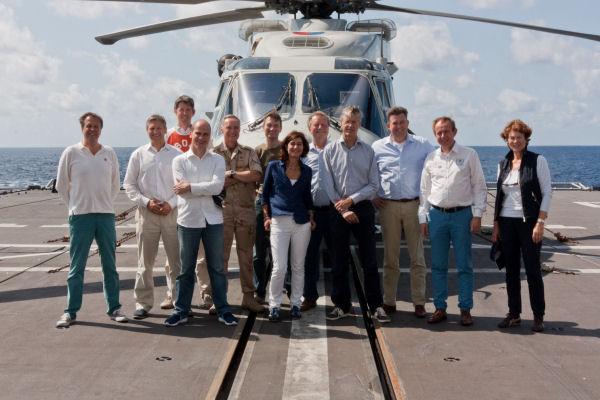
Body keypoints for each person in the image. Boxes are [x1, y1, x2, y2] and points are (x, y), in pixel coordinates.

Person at [55, 112, 128, 327]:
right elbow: (61, 185)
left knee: (110, 265)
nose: (92, 129)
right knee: (77, 266)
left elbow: (115, 185)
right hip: (80, 217)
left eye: (96, 126)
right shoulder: (71, 153)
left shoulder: (109, 153)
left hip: (105, 216)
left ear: (101, 129)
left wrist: (103, 202)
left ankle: (114, 308)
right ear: (82, 128)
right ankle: (71, 311)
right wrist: (76, 206)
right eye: (89, 126)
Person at [164, 119, 238, 327]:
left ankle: (223, 309)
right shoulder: (179, 161)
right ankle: (181, 310)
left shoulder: (217, 160)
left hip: (213, 218)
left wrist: (192, 187)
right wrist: (200, 188)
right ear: (192, 135)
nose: (202, 137)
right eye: (198, 133)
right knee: (185, 268)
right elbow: (183, 192)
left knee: (216, 267)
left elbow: (216, 187)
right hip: (188, 219)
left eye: (206, 134)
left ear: (209, 136)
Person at [321, 105, 390, 323]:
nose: (350, 125)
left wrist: (351, 201)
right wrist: (342, 208)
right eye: (347, 121)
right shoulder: (329, 151)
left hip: (361, 207)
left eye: (354, 121)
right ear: (341, 123)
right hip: (337, 208)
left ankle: (376, 305)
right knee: (339, 260)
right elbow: (326, 182)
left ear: (359, 124)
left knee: (369, 259)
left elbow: (373, 185)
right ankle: (341, 305)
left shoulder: (368, 151)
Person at [419, 116, 487, 326]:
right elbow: (424, 191)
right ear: (435, 135)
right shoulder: (431, 158)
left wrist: (477, 215)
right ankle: (440, 308)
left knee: (464, 264)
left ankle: (465, 309)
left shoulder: (469, 155)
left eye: (446, 131)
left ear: (454, 132)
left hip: (462, 215)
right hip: (437, 216)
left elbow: (479, 186)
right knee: (438, 265)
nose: (443, 136)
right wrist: (423, 217)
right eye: (439, 132)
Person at [372, 106, 434, 318]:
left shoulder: (423, 145)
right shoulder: (377, 147)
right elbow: (371, 175)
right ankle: (389, 301)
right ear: (388, 125)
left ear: (408, 123)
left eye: (401, 122)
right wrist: (373, 195)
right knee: (391, 258)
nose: (398, 126)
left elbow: (435, 171)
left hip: (414, 206)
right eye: (394, 123)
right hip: (387, 206)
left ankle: (419, 302)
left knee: (417, 257)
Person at [492, 119, 551, 332]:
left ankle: (538, 315)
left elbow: (547, 193)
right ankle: (514, 313)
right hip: (507, 222)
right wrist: (496, 224)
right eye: (511, 138)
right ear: (506, 141)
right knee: (511, 271)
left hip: (529, 223)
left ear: (526, 139)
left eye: (519, 137)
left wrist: (540, 222)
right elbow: (499, 196)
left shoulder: (537, 161)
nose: (515, 141)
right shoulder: (503, 163)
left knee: (533, 270)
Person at [201, 114, 265, 313]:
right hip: (222, 212)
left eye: (236, 128)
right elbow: (213, 183)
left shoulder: (249, 152)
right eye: (229, 128)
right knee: (220, 258)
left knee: (246, 257)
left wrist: (231, 175)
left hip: (246, 211)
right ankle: (219, 298)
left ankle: (248, 297)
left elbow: (256, 174)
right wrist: (239, 177)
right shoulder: (213, 154)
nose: (233, 131)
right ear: (222, 129)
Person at [123, 114, 181, 319]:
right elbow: (129, 185)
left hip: (171, 214)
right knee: (144, 262)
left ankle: (178, 301)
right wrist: (147, 202)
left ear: (166, 130)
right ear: (147, 130)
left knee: (176, 261)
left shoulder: (177, 154)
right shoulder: (138, 155)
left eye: (159, 128)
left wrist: (170, 204)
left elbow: (183, 186)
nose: (155, 131)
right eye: (151, 128)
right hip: (147, 214)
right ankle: (143, 303)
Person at [262, 131, 314, 321]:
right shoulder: (274, 167)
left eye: (299, 144)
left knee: (298, 266)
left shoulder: (307, 171)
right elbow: (265, 194)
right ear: (286, 146)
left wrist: (311, 215)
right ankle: (274, 305)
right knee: (279, 267)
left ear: (303, 148)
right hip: (279, 221)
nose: (295, 147)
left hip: (301, 222)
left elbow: (307, 197)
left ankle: (295, 304)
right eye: (292, 144)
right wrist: (266, 217)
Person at [301, 111, 333, 312]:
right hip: (311, 212)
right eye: (315, 125)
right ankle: (309, 296)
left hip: (332, 211)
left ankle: (340, 298)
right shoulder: (304, 154)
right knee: (308, 256)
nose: (319, 127)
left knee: (339, 255)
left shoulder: (336, 150)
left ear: (328, 128)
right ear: (310, 128)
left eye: (323, 124)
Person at [253, 110, 283, 303]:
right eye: (268, 125)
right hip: (260, 201)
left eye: (275, 125)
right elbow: (255, 176)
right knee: (259, 250)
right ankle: (259, 288)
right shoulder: (258, 151)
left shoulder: (285, 151)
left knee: (277, 250)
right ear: (263, 128)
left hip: (279, 203)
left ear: (280, 128)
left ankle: (276, 288)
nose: (271, 129)